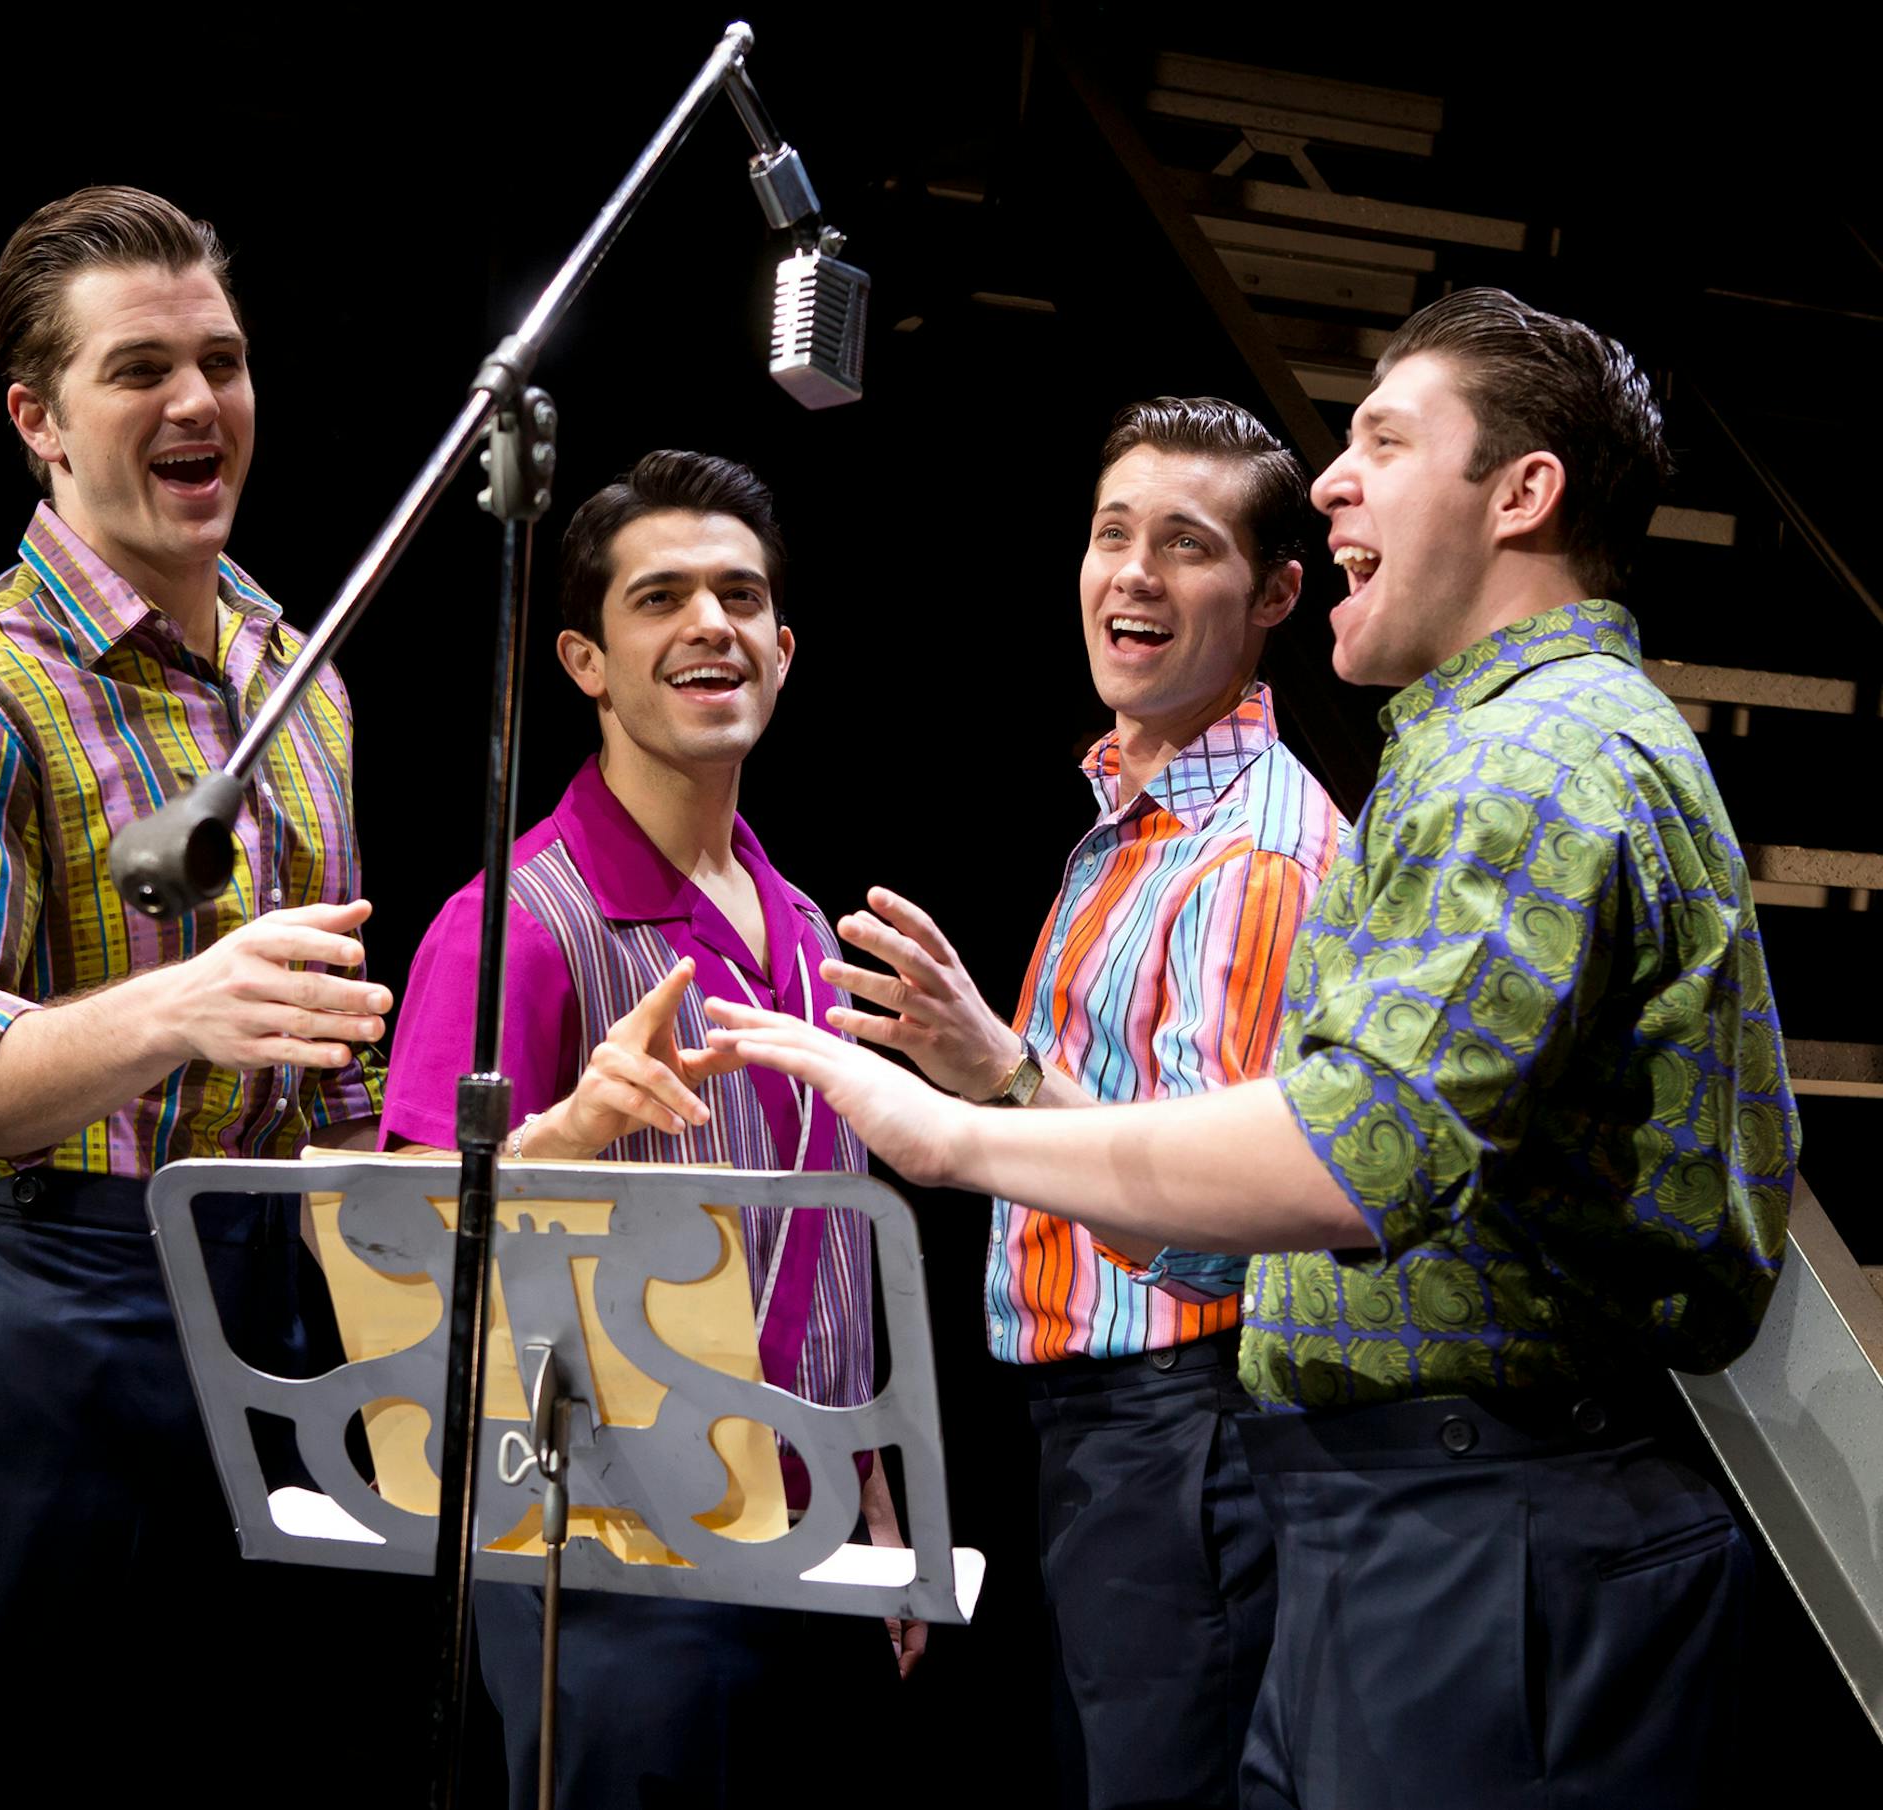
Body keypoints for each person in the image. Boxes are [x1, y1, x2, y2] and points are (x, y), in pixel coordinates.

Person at [707, 288, 1796, 1809]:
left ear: (1524, 494)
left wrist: (954, 1137)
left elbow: (1359, 1151)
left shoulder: (1533, 762)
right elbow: (1259, 1235)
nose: (1336, 477)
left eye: (1384, 441)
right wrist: (1013, 1080)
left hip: (1487, 1517)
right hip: (1411, 1512)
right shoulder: (1482, 751)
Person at [0, 186, 395, 1809]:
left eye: (223, 358)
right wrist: (176, 1011)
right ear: (39, 421)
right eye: (141, 369)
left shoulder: (302, 675)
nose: (199, 402)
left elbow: (328, 1062)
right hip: (42, 1313)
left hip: (268, 1302)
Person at [816, 398, 1339, 1808]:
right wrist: (994, 1063)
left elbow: (1218, 1230)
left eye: (1187, 543)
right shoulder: (1127, 831)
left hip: (1186, 1418)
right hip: (1109, 1431)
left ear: (1279, 591)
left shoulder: (1256, 857)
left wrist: (994, 1082)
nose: (1134, 576)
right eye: (1113, 533)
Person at [381, 450, 914, 1810]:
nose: (710, 624)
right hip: (610, 1561)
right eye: (661, 596)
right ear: (585, 660)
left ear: (784, 651)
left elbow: (828, 1252)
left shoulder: (804, 930)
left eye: (740, 596)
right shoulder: (516, 924)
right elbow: (393, 1247)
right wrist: (565, 1125)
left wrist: (870, 1494)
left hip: (814, 1548)